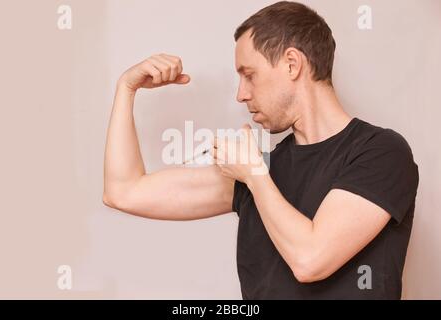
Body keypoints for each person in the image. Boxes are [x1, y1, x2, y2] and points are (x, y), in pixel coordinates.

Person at [103, 1, 419, 299]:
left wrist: (254, 175)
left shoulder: (382, 153)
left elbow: (310, 259)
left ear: (292, 64)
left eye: (249, 75)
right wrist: (126, 89)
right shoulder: (259, 167)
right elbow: (123, 191)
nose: (241, 95)